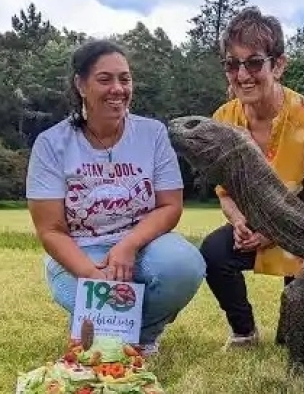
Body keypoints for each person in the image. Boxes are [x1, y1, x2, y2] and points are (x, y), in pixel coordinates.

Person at [25, 39, 206, 356]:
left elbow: (170, 206)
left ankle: (144, 335)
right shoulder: (50, 143)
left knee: (183, 266)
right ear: (81, 85)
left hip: (143, 246)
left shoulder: (152, 134)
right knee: (93, 308)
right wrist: (93, 276)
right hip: (81, 251)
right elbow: (51, 230)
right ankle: (115, 329)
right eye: (104, 79)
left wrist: (128, 245)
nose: (118, 89)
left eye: (125, 78)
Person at [199, 6, 304, 350]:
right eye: (232, 64)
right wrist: (238, 223)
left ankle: (294, 324)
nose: (242, 74)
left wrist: (274, 228)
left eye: (253, 62)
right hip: (253, 228)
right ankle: (243, 331)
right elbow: (225, 189)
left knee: (297, 343)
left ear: (278, 65)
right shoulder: (223, 117)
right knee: (215, 253)